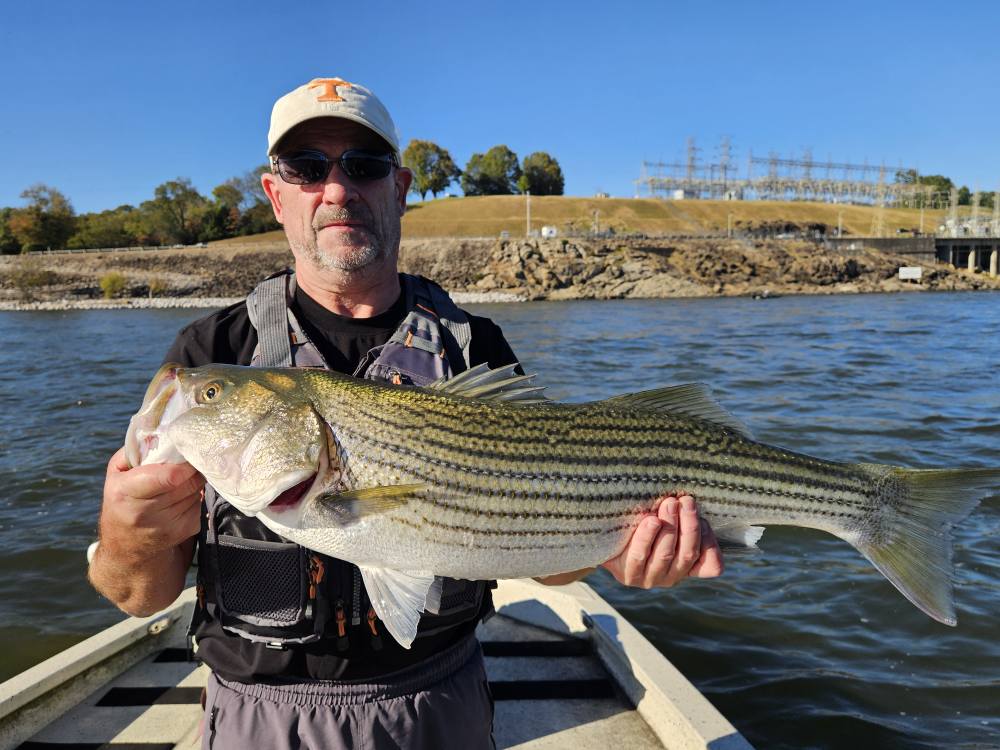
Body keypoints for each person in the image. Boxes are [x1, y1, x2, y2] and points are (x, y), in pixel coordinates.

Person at [88, 77, 724, 749]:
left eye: (363, 166)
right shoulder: (214, 350)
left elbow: (543, 544)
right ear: (276, 196)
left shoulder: (472, 346)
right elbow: (136, 596)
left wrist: (615, 546)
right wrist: (132, 534)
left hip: (438, 700)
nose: (336, 189)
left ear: (400, 187)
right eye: (306, 169)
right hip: (258, 715)